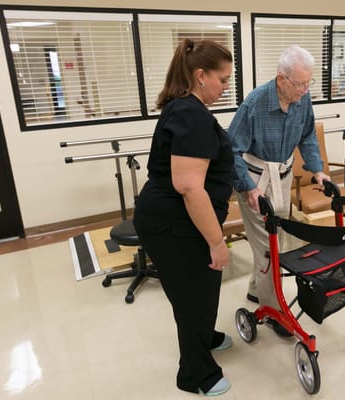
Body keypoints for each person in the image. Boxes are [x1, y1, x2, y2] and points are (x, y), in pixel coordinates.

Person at [133, 39, 234, 396]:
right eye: (223, 80)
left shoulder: (188, 109)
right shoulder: (190, 114)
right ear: (200, 75)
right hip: (173, 222)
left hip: (174, 218)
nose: (226, 87)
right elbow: (190, 188)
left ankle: (204, 337)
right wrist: (217, 242)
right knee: (194, 295)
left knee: (199, 289)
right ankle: (196, 375)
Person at [227, 46, 330, 337]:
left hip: (282, 176)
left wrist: (317, 170)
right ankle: (275, 312)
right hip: (255, 181)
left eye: (308, 83)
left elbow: (308, 135)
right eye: (299, 84)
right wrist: (247, 188)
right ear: (281, 79)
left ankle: (255, 290)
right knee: (268, 250)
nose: (304, 90)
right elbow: (231, 150)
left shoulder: (302, 99)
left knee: (275, 241)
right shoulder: (254, 104)